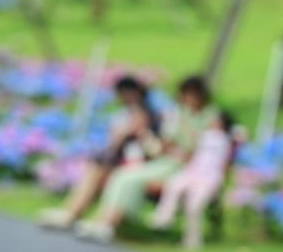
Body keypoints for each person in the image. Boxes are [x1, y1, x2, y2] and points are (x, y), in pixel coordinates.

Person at [74, 75, 215, 243]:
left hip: (187, 168)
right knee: (122, 175)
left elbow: (205, 148)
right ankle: (103, 220)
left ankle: (109, 223)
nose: (189, 99)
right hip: (166, 161)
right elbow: (166, 143)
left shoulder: (211, 118)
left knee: (128, 178)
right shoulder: (180, 114)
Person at [37, 75, 160, 230]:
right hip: (122, 160)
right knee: (95, 168)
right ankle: (72, 212)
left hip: (139, 163)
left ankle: (98, 219)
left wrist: (134, 133)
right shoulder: (127, 114)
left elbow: (147, 146)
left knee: (110, 173)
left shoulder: (147, 115)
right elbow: (115, 143)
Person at [151, 110, 234, 250]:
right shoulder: (212, 137)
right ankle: (164, 219)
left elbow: (193, 134)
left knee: (193, 206)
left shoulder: (220, 139)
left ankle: (192, 240)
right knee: (174, 186)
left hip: (209, 179)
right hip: (193, 173)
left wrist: (180, 121)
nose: (211, 122)